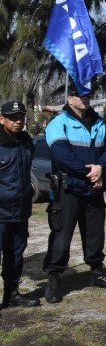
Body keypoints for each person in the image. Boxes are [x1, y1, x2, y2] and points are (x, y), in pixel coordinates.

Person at [43, 84, 106, 303]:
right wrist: (92, 172)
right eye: (80, 95)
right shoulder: (58, 123)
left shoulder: (99, 123)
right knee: (61, 235)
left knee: (96, 233)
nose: (86, 98)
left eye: (88, 95)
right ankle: (54, 278)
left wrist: (101, 168)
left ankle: (96, 272)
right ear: (70, 98)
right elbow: (62, 157)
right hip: (68, 189)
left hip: (94, 188)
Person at [0, 100, 40, 311]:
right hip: (1, 212)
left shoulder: (26, 141)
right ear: (2, 119)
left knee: (15, 255)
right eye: (12, 117)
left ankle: (11, 294)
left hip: (20, 211)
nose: (18, 121)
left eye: (21, 117)